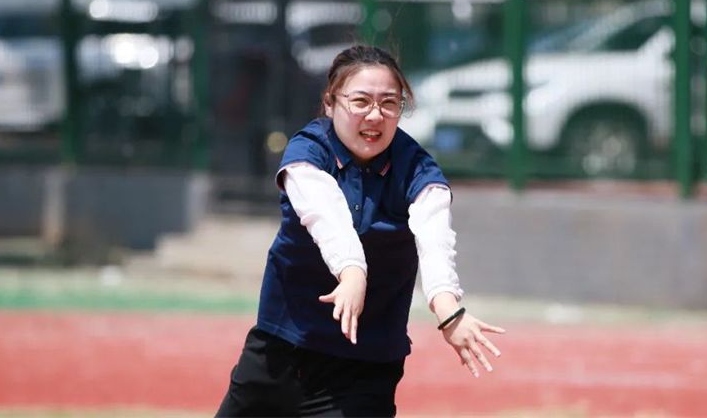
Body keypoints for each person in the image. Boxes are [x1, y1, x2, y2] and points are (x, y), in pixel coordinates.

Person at [216, 45, 504, 417]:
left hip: (364, 370)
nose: (375, 115)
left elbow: (434, 239)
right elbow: (326, 215)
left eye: (389, 103)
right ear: (330, 103)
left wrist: (447, 308)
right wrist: (352, 270)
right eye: (361, 101)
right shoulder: (307, 153)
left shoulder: (418, 170)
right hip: (280, 354)